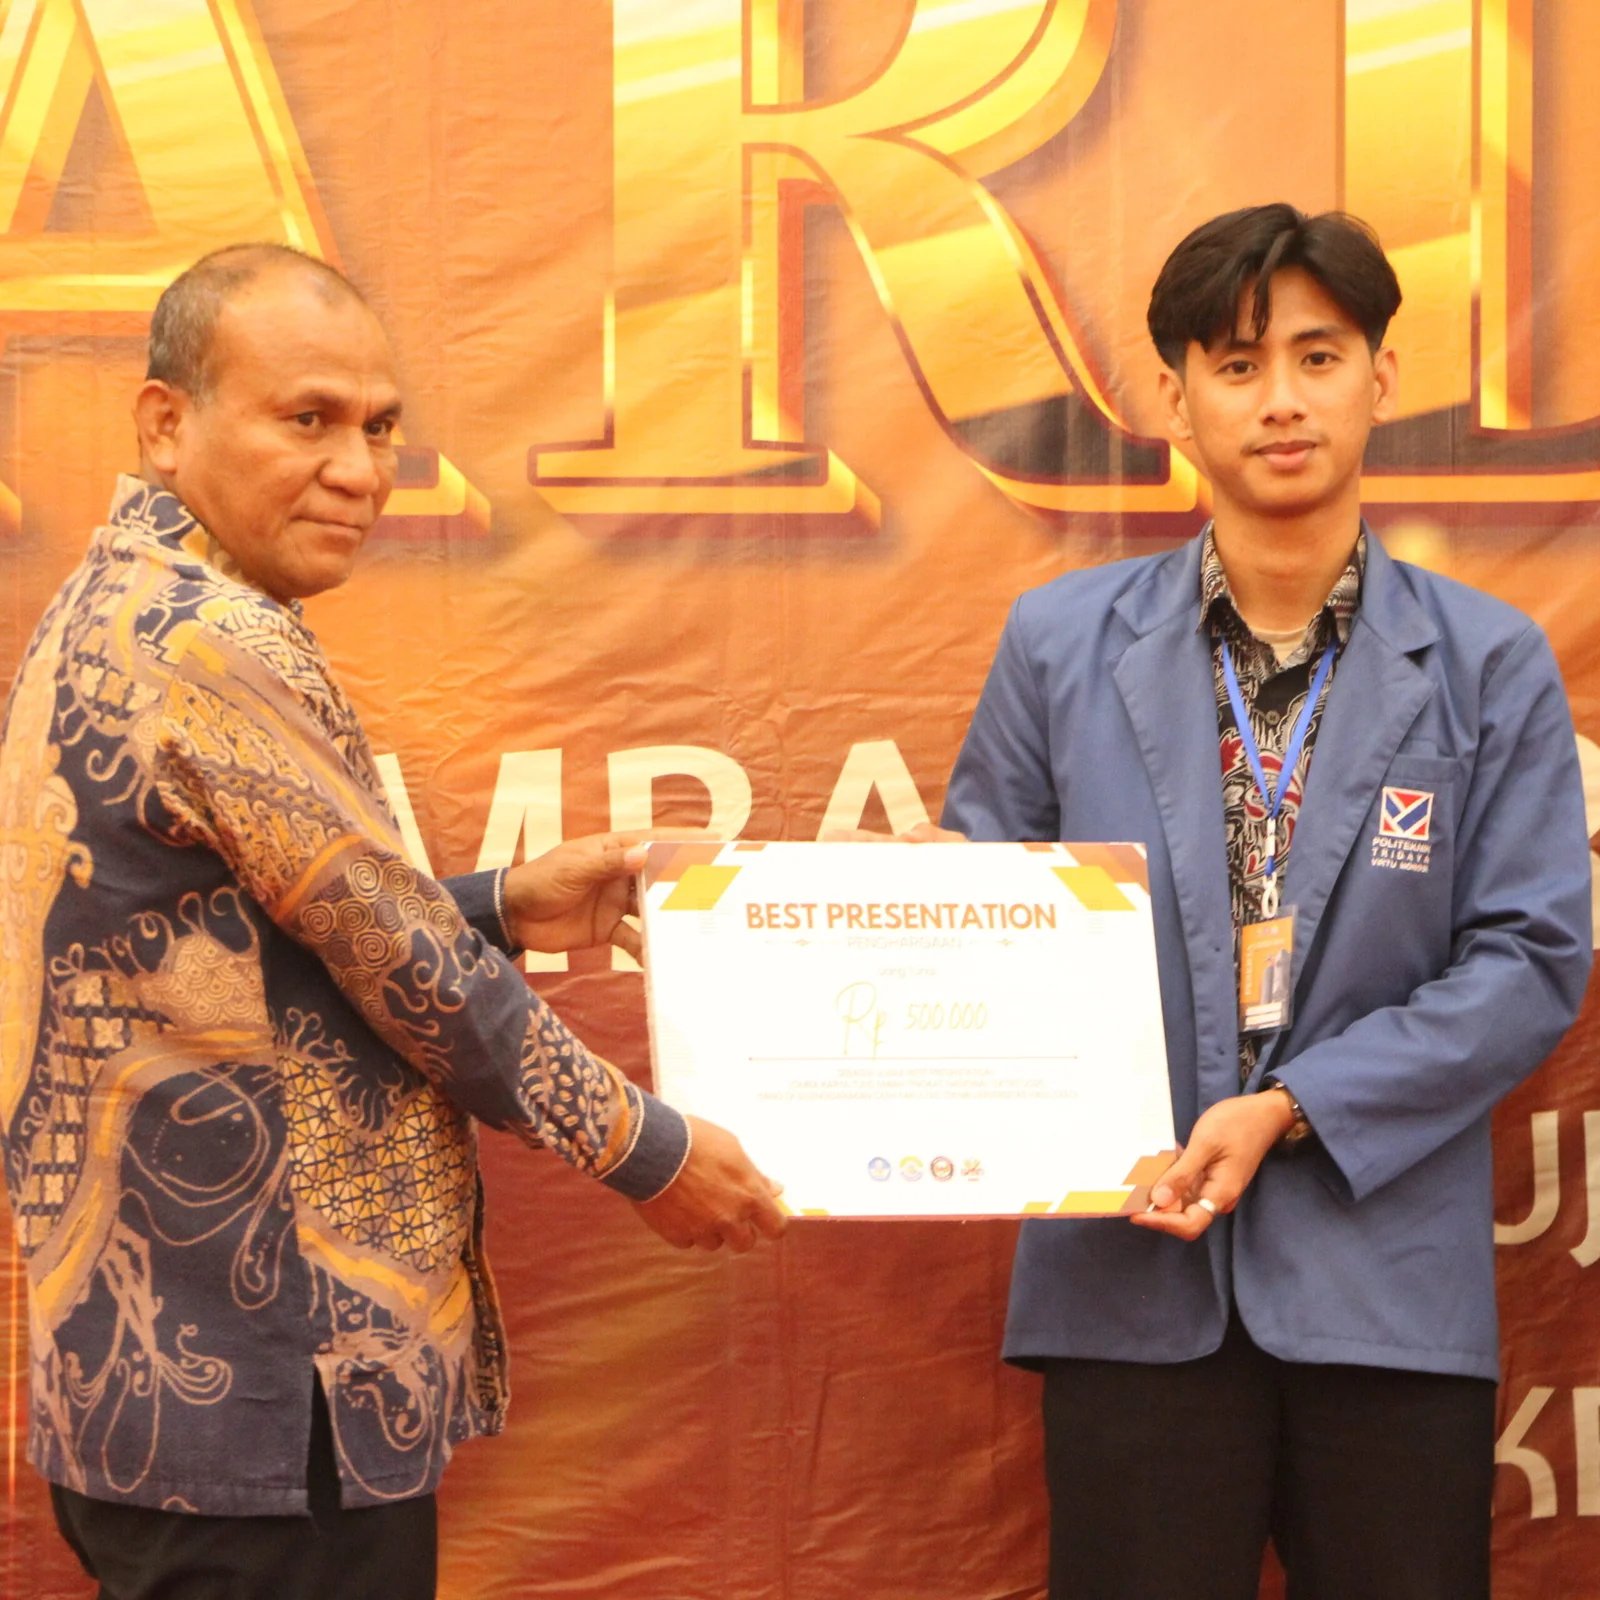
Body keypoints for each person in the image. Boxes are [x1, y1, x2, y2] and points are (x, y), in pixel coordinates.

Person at [0, 243, 786, 1600]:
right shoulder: (205, 639)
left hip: (173, 1403)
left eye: (378, 428)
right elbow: (408, 967)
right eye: (307, 419)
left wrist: (504, 903)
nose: (360, 470)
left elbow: (245, 934)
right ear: (166, 423)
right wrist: (649, 1151)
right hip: (263, 1397)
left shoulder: (113, 604)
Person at [942, 204, 1593, 1598]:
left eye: (1317, 355)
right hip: (1128, 1270)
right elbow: (984, 923)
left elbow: (1531, 959)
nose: (1281, 399)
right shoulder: (1059, 644)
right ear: (1174, 399)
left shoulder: (1488, 661)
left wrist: (1293, 1106)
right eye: (1237, 365)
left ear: (1381, 378)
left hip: (1385, 1292)